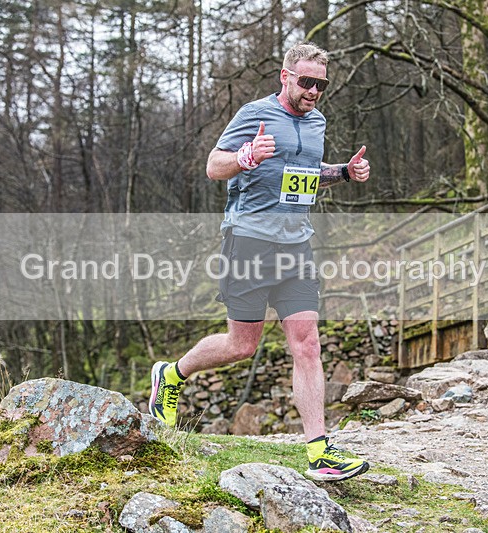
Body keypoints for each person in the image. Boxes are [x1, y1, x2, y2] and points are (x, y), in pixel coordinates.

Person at [149, 42, 371, 481]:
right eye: (306, 81)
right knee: (242, 346)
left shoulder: (318, 121)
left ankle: (319, 452)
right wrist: (245, 158)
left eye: (321, 84)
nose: (313, 91)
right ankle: (171, 374)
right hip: (248, 241)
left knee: (307, 343)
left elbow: (304, 175)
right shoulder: (255, 113)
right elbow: (215, 166)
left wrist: (342, 172)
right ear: (284, 77)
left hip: (296, 245)